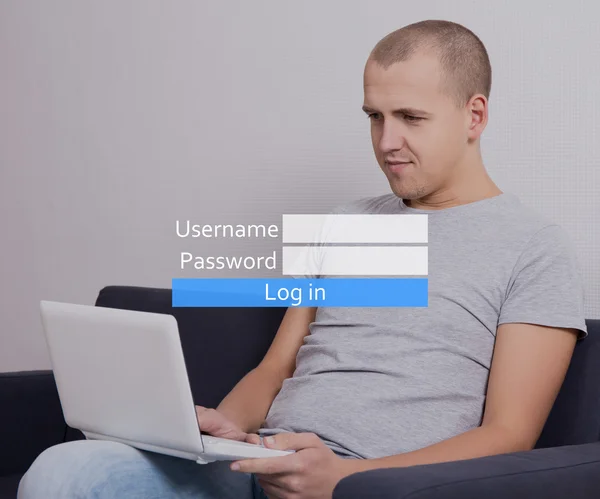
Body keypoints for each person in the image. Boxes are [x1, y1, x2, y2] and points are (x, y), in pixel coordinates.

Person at [18, 19, 587, 499]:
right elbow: (277, 367)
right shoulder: (342, 222)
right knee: (64, 470)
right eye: (374, 116)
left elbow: (511, 434)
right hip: (262, 464)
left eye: (411, 118)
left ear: (475, 116)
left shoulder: (534, 247)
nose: (387, 141)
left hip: (376, 485)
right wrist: (225, 426)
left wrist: (342, 478)